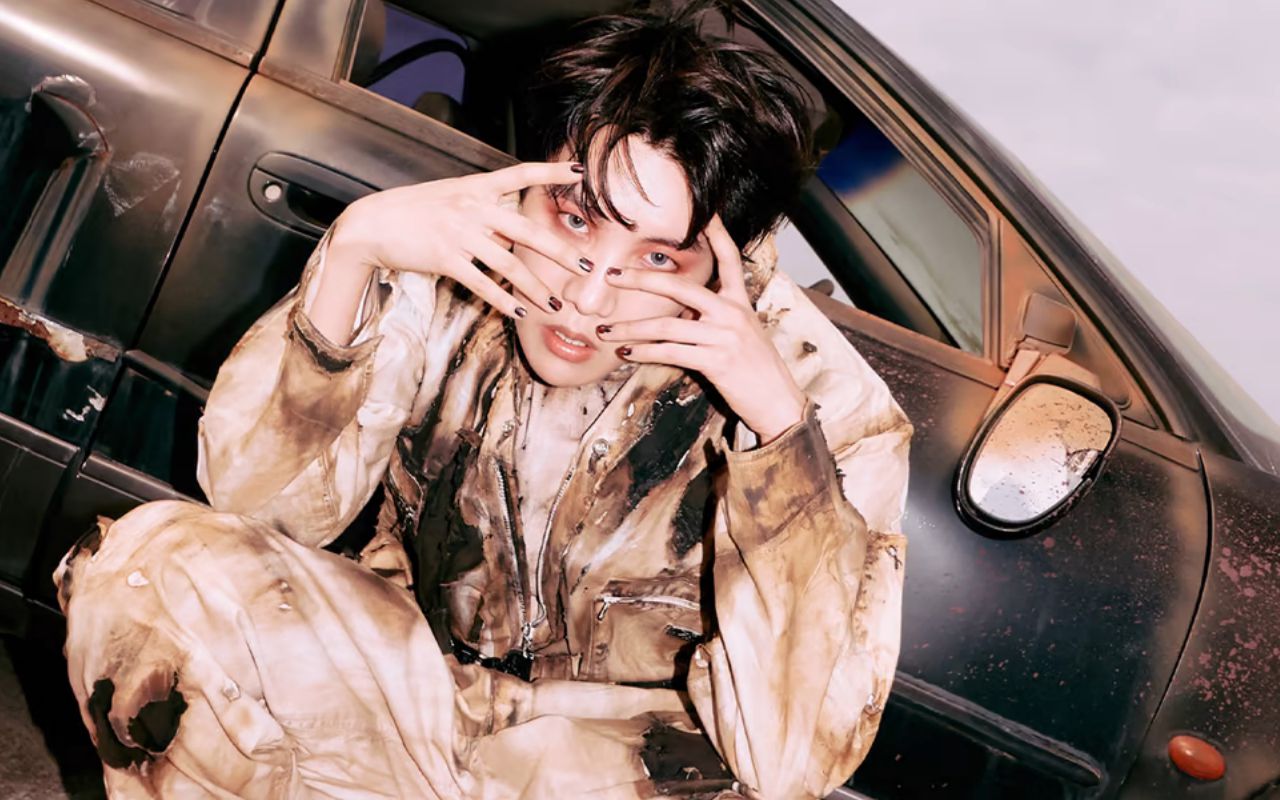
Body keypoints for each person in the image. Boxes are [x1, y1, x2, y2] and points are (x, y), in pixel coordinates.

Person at [55, 4, 912, 798]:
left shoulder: (823, 400)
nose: (586, 298)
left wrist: (781, 444)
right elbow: (254, 506)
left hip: (613, 768)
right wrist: (353, 251)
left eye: (658, 260)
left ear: (735, 259)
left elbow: (790, 763)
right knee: (157, 565)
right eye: (576, 220)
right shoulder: (453, 271)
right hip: (410, 702)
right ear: (528, 181)